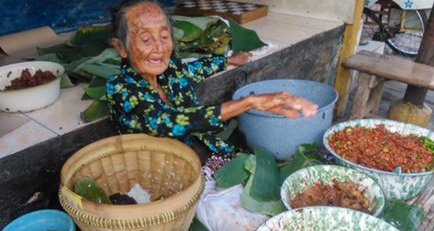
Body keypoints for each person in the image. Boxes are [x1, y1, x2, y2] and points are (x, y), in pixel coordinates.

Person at [106, 0, 318, 155]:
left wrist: (226, 61)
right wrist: (248, 103)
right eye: (146, 39)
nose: (159, 48)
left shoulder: (171, 71)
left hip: (202, 152)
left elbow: (194, 69)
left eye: (164, 36)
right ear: (121, 47)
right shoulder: (120, 90)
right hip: (164, 174)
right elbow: (170, 122)